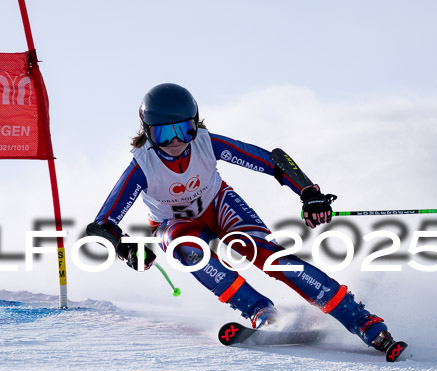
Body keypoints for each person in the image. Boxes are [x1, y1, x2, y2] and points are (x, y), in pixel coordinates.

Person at [86, 83, 399, 352]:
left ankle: (361, 320)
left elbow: (272, 161)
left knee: (263, 252)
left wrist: (308, 193)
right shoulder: (143, 166)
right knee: (183, 246)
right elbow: (102, 225)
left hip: (220, 206)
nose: (175, 142)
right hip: (176, 225)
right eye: (163, 135)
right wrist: (125, 248)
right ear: (148, 135)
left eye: (183, 130)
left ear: (195, 124)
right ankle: (260, 311)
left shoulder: (207, 144)